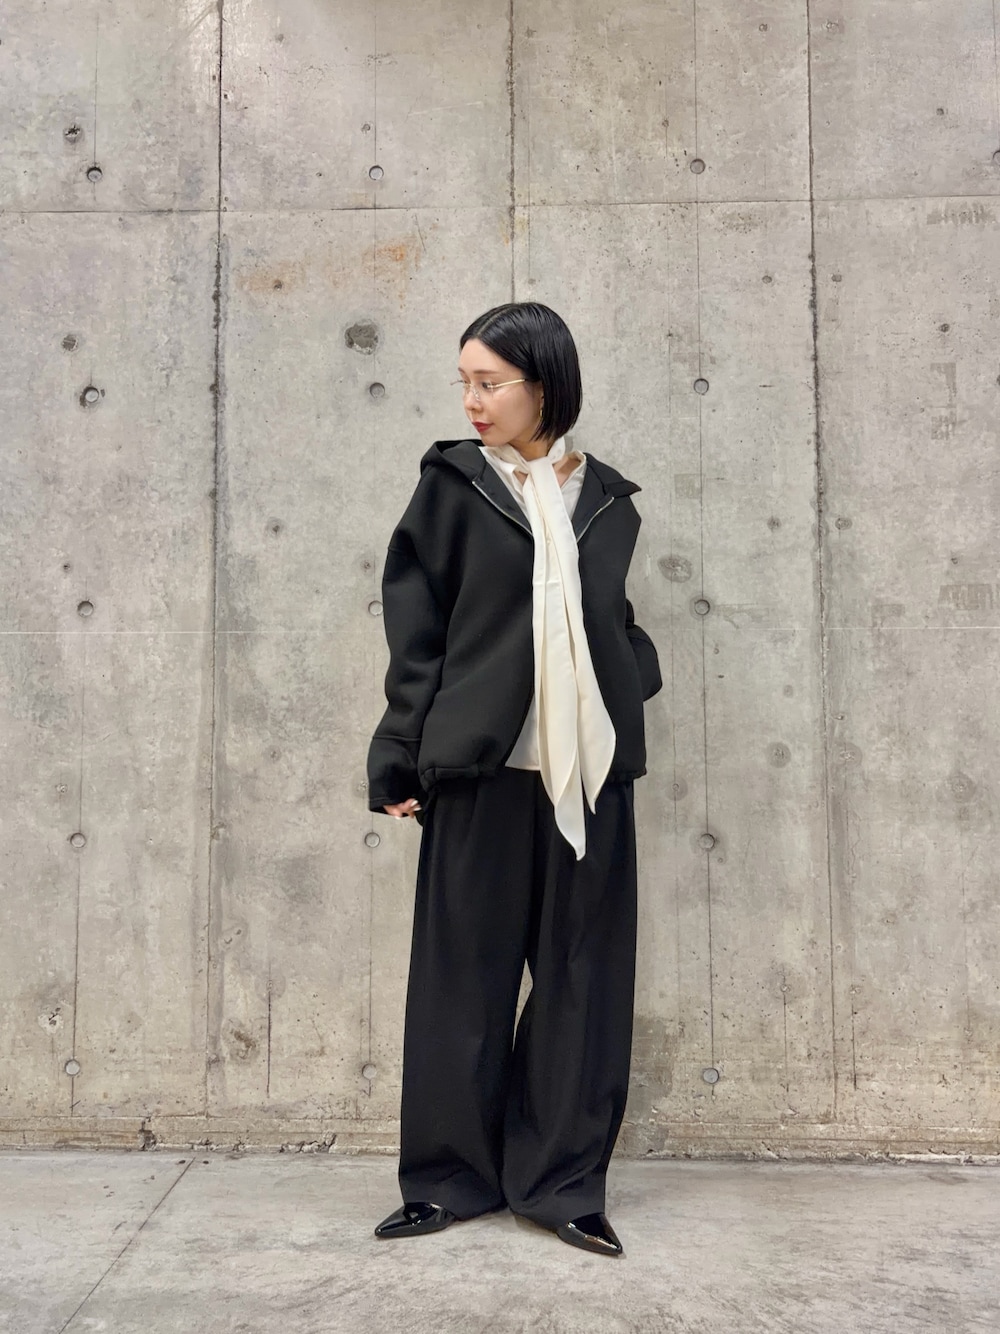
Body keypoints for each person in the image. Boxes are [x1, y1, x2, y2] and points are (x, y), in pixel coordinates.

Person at [365, 301, 662, 1258]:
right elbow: (418, 634)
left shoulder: (606, 498)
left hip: (590, 776)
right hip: (482, 770)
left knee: (583, 985)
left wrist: (629, 673)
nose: (473, 400)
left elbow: (613, 618)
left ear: (545, 385)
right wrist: (400, 750)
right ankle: (447, 1181)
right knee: (461, 983)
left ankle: (564, 1185)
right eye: (466, 382)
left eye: (489, 382)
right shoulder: (453, 488)